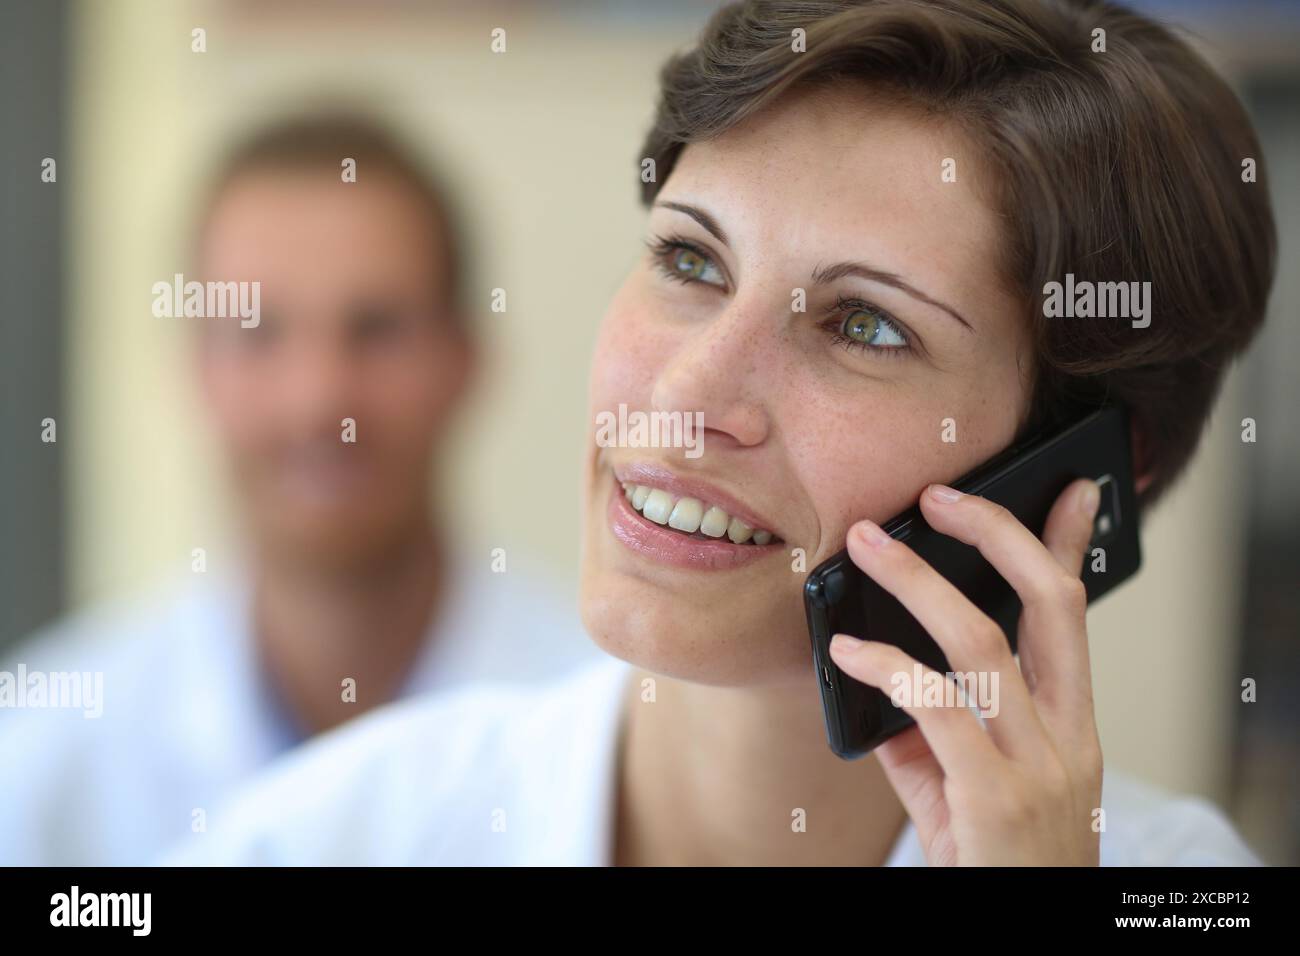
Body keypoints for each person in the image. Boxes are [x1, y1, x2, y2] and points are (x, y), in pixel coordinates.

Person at [159, 0, 1274, 866]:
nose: (686, 392)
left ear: (1072, 483)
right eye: (691, 260)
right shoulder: (321, 839)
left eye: (864, 325)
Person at [0, 114, 595, 866]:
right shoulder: (39, 759)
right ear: (195, 366)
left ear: (467, 360)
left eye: (376, 329)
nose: (319, 400)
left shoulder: (598, 724)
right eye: (257, 332)